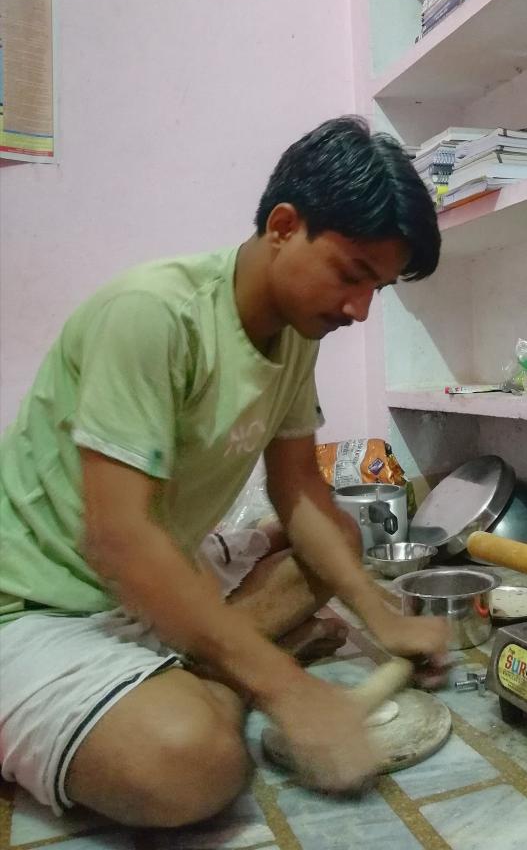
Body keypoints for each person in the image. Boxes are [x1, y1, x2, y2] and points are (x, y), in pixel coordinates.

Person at [0, 116, 449, 827]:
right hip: (43, 607)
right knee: (192, 763)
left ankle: (201, 667)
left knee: (330, 554)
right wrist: (287, 690)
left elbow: (298, 488)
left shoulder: (295, 332)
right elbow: (117, 539)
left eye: (379, 289)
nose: (359, 309)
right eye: (352, 275)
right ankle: (209, 678)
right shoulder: (153, 313)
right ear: (282, 224)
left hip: (156, 581)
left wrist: (376, 614)